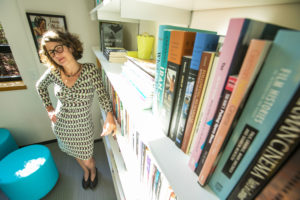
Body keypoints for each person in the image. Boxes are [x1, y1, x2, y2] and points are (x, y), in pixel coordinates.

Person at [36, 30, 116, 190]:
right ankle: (85, 172)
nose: (56, 54)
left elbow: (102, 95)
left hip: (82, 128)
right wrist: (49, 107)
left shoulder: (90, 70)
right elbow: (40, 86)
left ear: (70, 47)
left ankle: (92, 170)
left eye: (58, 48)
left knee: (87, 157)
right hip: (61, 126)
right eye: (51, 52)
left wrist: (109, 116)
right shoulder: (53, 72)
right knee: (74, 154)